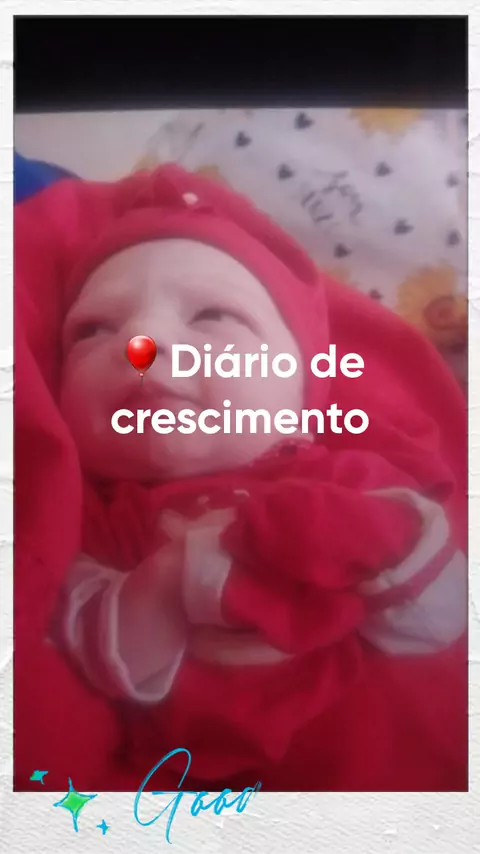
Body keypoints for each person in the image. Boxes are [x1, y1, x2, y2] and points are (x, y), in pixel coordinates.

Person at [15, 164, 467, 792]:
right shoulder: (97, 527)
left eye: (211, 317)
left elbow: (443, 616)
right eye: (92, 331)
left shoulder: (351, 479)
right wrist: (166, 583)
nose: (140, 341)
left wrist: (369, 538)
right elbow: (93, 651)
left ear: (301, 390)